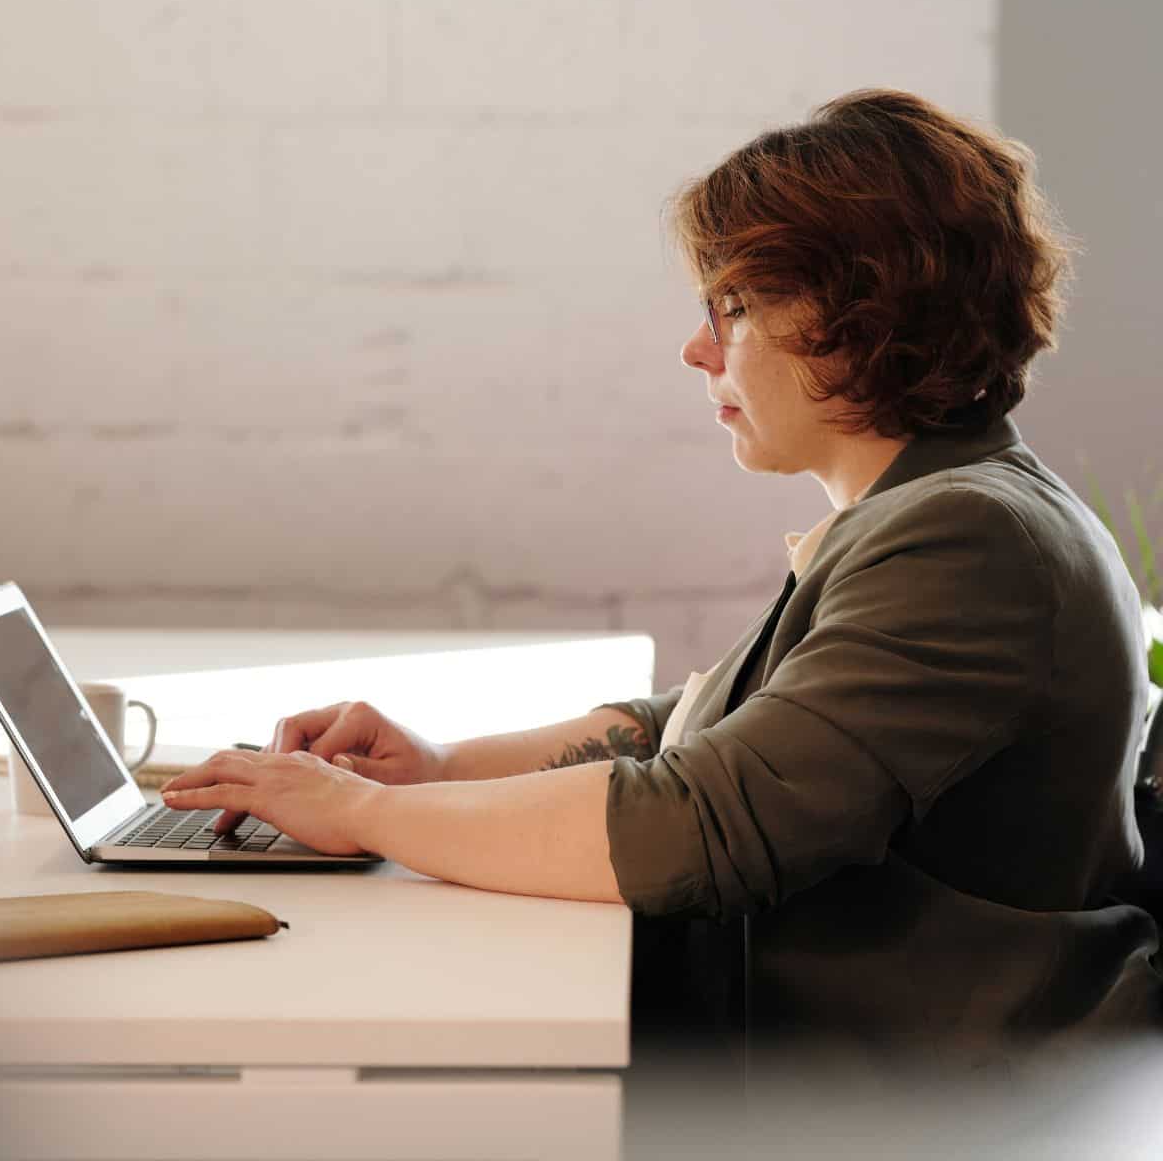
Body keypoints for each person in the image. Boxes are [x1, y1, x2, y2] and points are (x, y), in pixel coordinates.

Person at [161, 88, 1161, 1079]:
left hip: (928, 1103)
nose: (696, 348)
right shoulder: (939, 506)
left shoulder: (968, 538)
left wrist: (360, 814)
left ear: (860, 313)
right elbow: (690, 722)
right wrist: (436, 767)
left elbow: (701, 822)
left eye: (732, 307)